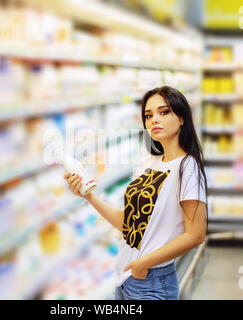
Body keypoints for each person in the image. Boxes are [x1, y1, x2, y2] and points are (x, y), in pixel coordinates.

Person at [63, 86, 208, 300]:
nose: (154, 120)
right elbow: (129, 224)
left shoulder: (187, 167)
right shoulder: (147, 163)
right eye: (148, 115)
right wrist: (89, 196)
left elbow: (195, 234)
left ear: (182, 118)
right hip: (125, 277)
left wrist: (144, 263)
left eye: (164, 112)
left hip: (152, 282)